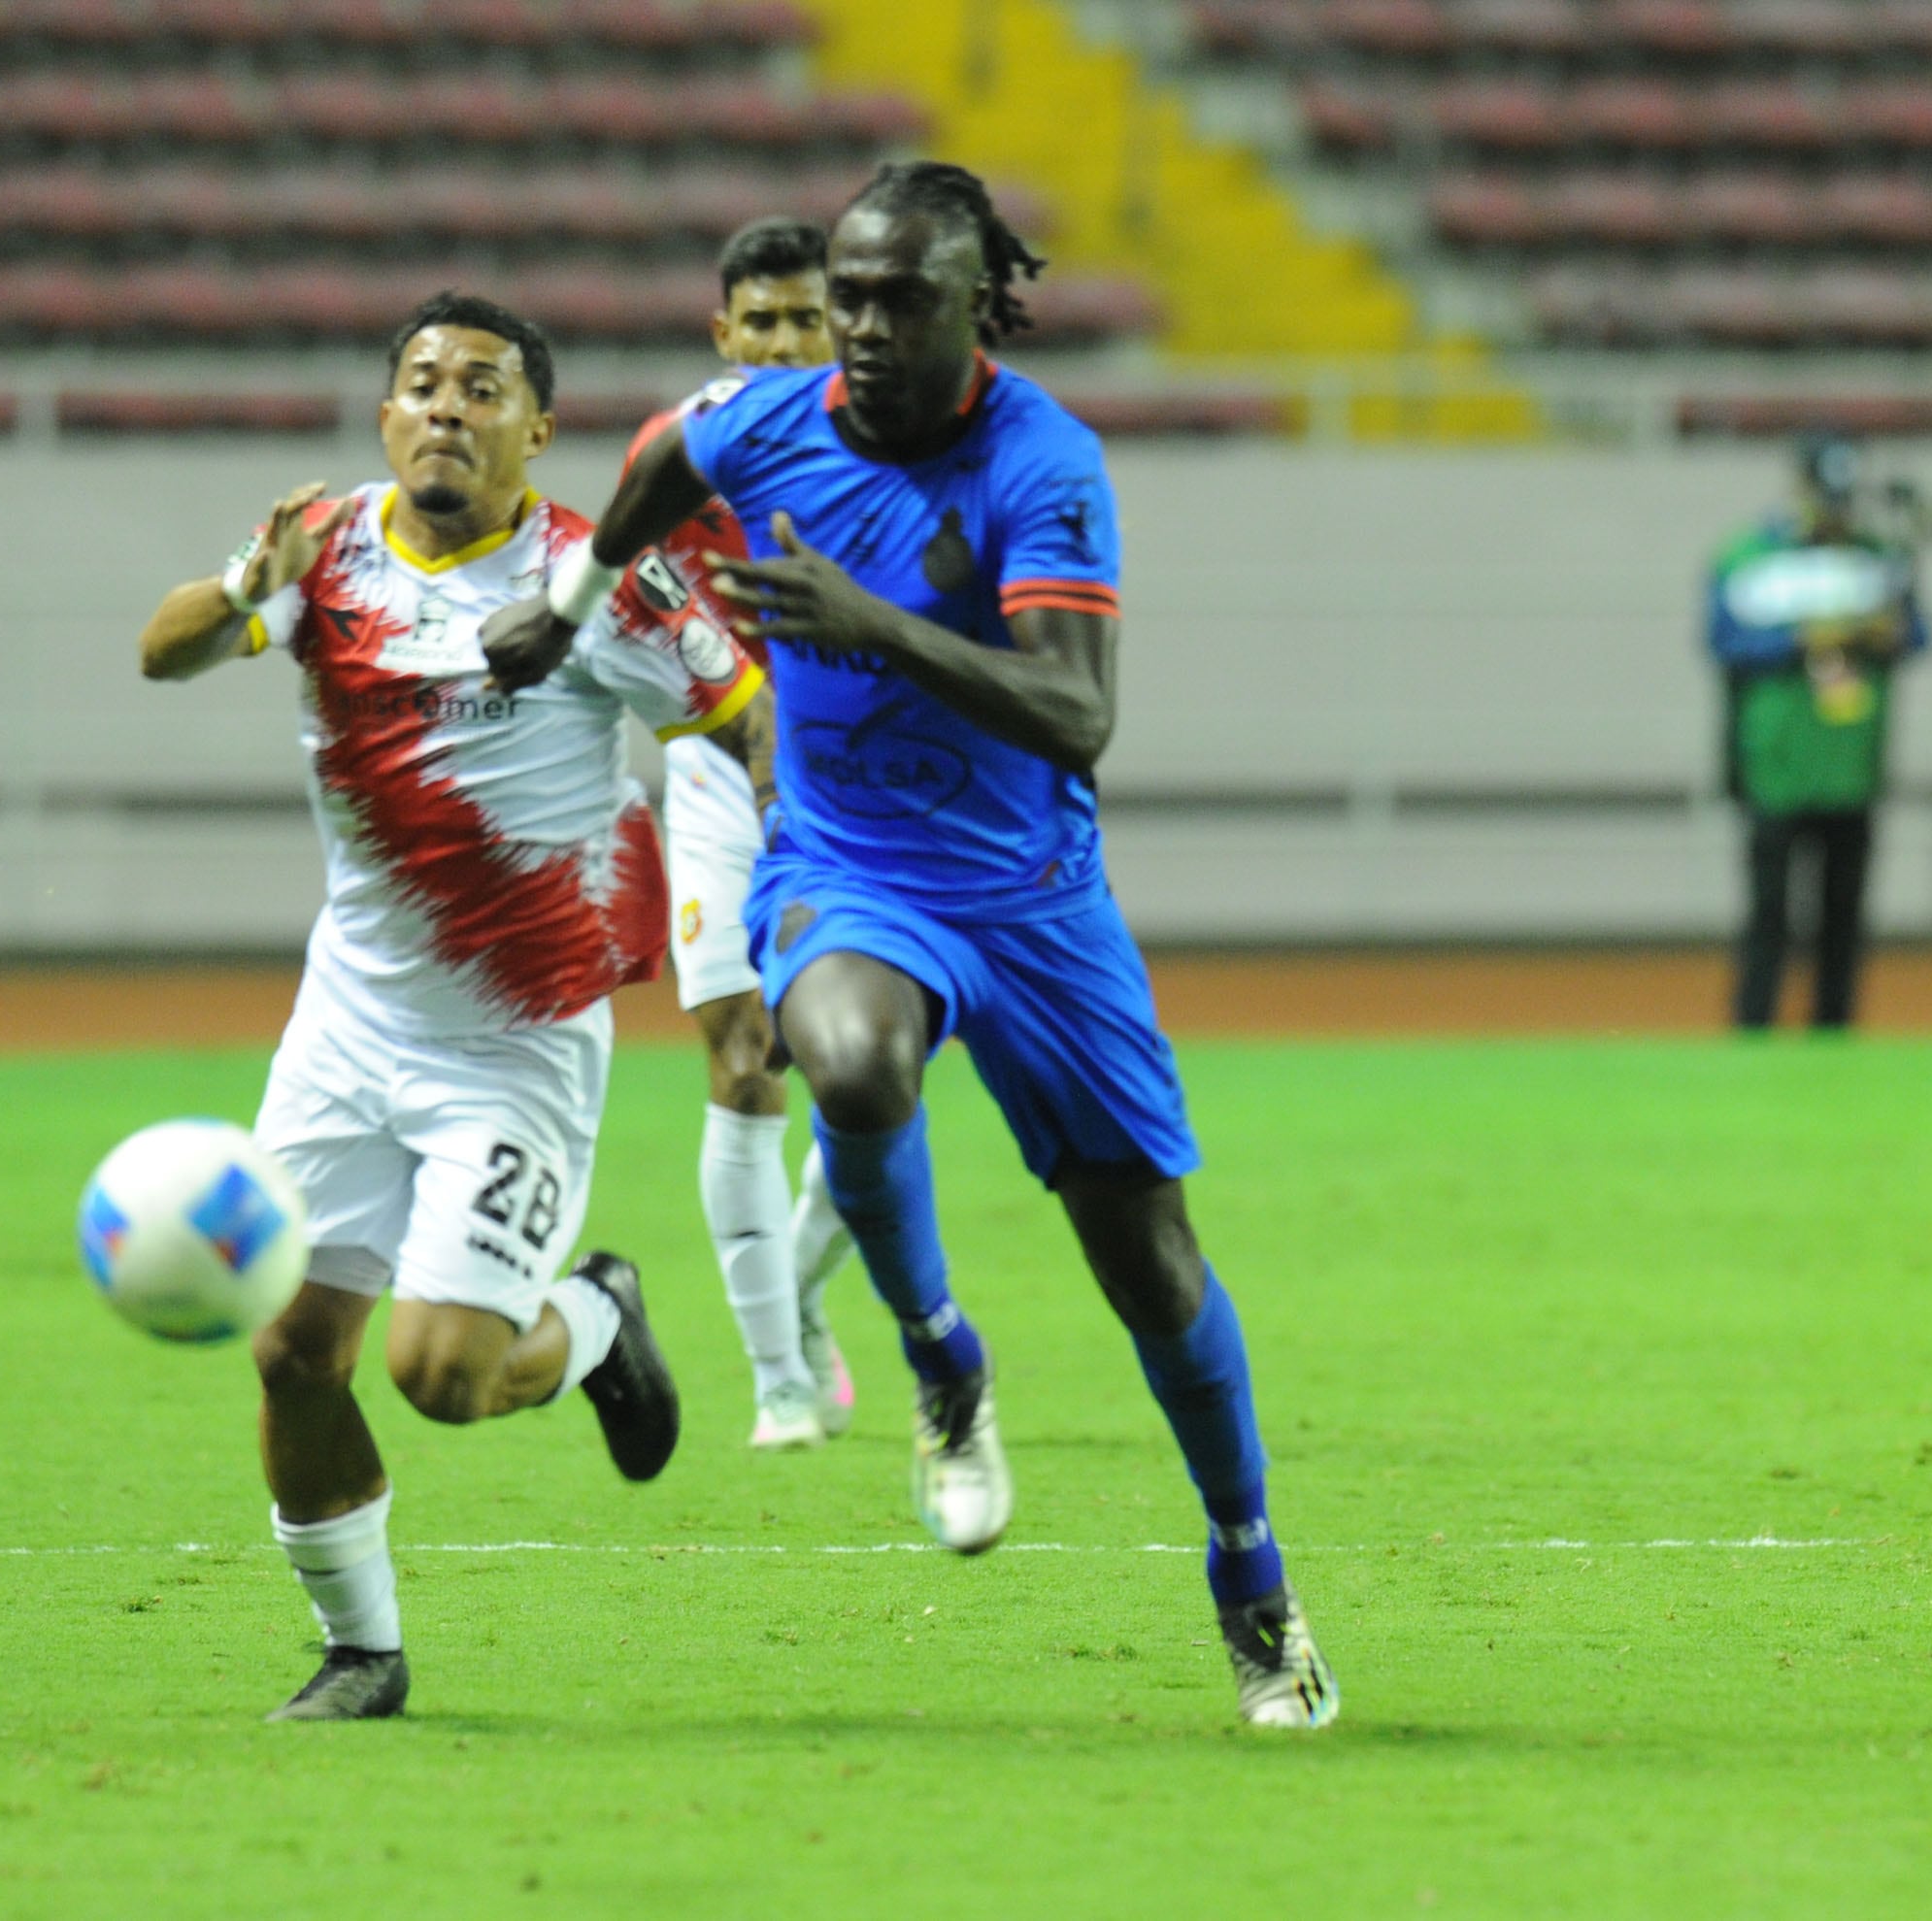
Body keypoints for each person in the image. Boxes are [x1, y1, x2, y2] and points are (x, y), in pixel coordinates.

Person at [483, 164, 1339, 1729]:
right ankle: (941, 1358)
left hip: (1034, 896)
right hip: (851, 865)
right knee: (850, 1061)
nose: (863, 328)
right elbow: (666, 455)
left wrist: (866, 622)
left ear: (979, 306)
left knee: (1151, 1263)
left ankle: (1251, 1573)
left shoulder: (1043, 461)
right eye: (851, 295)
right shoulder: (770, 418)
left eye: (900, 300)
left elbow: (1082, 714)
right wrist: (576, 592)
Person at [136, 292, 771, 1723]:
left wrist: (783, 897)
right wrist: (247, 584)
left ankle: (599, 1317)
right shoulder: (324, 544)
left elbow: (744, 716)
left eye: (483, 388)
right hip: (348, 1024)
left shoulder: (598, 580)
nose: (445, 407)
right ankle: (361, 1648)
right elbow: (160, 652)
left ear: (537, 430)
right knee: (293, 1348)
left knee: (441, 1374)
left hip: (514, 1042)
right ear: (384, 415)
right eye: (421, 383)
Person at [633, 215, 857, 1450]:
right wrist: (754, 740)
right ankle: (778, 1381)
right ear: (721, 332)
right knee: (743, 1053)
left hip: (869, 788)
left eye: (803, 318)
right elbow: (660, 634)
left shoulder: (894, 452)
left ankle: (802, 1293)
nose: (780, 340)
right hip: (720, 774)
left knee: (866, 1085)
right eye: (758, 319)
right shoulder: (675, 462)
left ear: (842, 329)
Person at [1709, 433, 1932, 1031]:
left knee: (1843, 916)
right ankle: (1753, 1025)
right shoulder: (1749, 556)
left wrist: (1887, 630)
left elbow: (1917, 635)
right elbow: (1723, 639)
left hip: (1852, 766)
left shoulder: (1876, 558)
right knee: (1769, 912)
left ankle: (1834, 1031)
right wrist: (1799, 640)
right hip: (1775, 766)